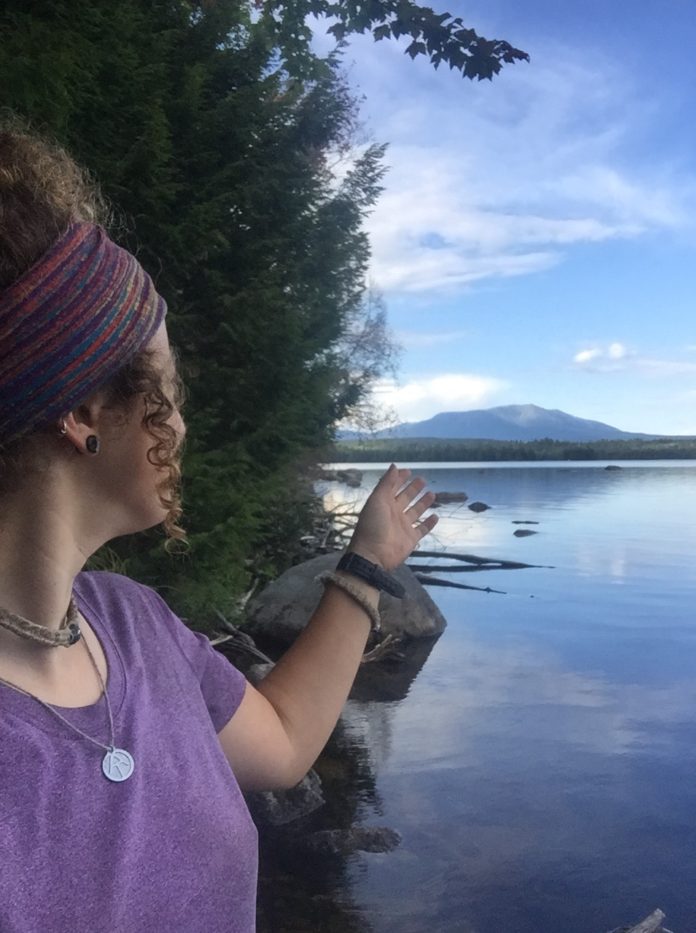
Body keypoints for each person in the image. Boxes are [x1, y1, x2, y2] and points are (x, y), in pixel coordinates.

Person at [0, 123, 438, 932]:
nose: (186, 427)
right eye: (168, 390)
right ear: (83, 412)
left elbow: (281, 744)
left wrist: (371, 560)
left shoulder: (129, 621)